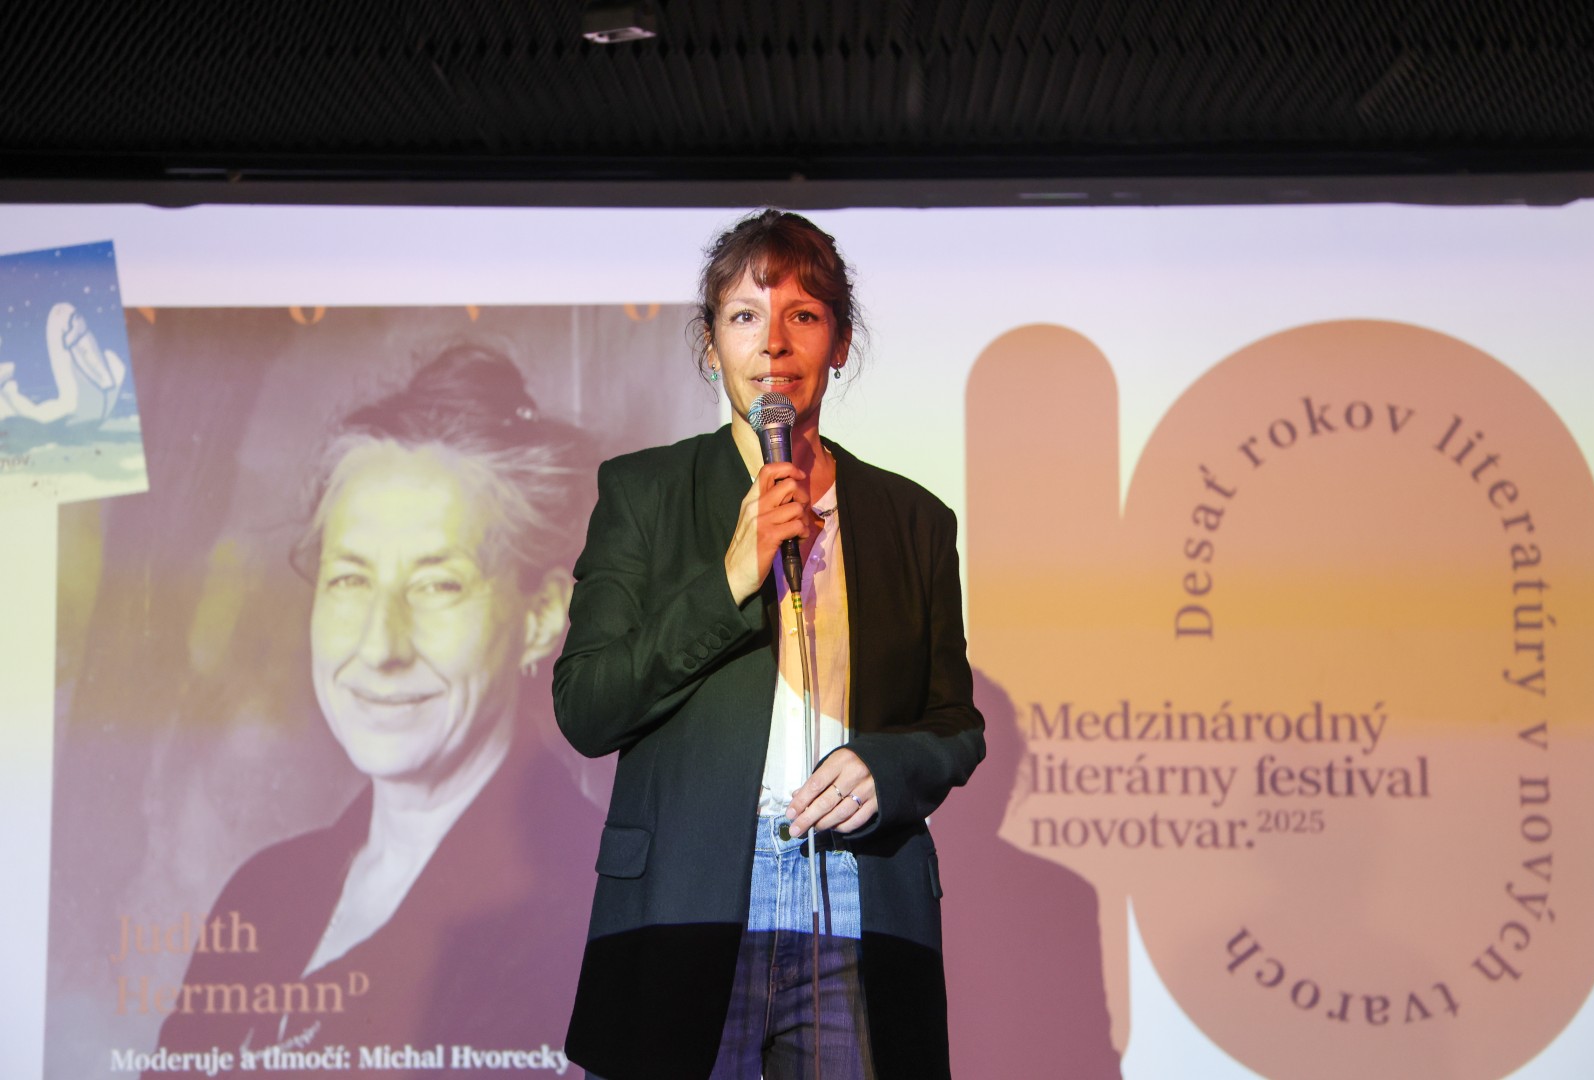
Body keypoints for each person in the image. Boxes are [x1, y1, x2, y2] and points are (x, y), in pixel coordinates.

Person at [554, 210, 985, 1079]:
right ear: (711, 344)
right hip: (691, 893)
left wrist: (888, 767)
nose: (774, 343)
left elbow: (955, 726)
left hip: (855, 888)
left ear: (840, 342)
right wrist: (729, 579)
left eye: (803, 314)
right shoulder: (645, 493)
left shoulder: (913, 519)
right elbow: (587, 707)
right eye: (746, 315)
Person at [148, 345, 599, 1075]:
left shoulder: (598, 910)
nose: (380, 645)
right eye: (351, 579)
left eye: (438, 585)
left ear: (541, 616)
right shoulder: (261, 895)